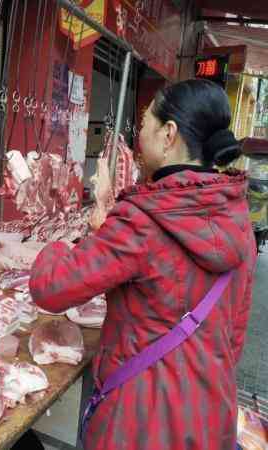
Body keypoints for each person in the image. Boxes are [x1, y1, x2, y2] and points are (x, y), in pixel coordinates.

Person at [29, 79, 256, 450]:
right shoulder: (237, 217)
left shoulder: (144, 219)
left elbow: (50, 287)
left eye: (146, 123)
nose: (140, 136)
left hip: (141, 423)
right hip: (209, 417)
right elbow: (234, 334)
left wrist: (61, 242)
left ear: (168, 135)